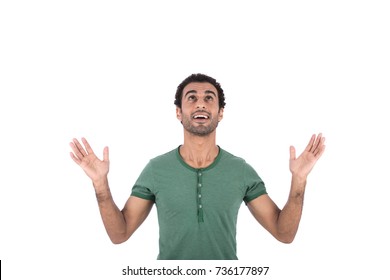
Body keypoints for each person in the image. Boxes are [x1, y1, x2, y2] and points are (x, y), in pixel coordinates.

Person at [69, 73, 326, 260]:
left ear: (220, 112)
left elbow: (284, 234)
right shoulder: (156, 170)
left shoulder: (241, 171)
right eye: (191, 98)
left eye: (208, 98)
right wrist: (100, 184)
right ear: (179, 112)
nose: (200, 103)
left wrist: (299, 179)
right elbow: (119, 234)